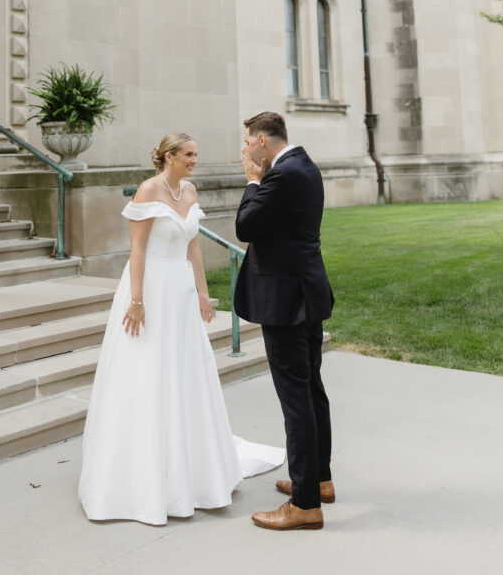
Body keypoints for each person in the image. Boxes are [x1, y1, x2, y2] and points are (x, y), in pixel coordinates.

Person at [78, 132, 284, 526]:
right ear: (169, 156)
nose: (194, 160)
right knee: (148, 370)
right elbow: (136, 251)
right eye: (188, 154)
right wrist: (136, 301)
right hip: (151, 289)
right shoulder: (147, 191)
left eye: (195, 154)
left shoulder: (188, 191)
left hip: (182, 294)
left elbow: (192, 247)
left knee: (186, 373)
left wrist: (204, 294)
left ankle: (192, 468)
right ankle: (144, 475)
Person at [234, 111, 335, 531]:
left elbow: (246, 226)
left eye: (246, 143)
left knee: (296, 398)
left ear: (261, 140)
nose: (244, 150)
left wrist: (251, 180)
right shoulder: (304, 165)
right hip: (306, 293)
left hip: (286, 300)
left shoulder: (279, 176)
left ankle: (305, 503)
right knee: (311, 390)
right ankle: (318, 479)